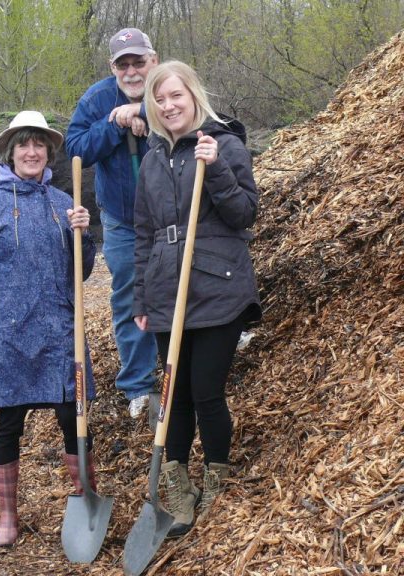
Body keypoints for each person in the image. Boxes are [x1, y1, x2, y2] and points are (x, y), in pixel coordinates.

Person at [132, 60, 262, 536]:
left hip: (217, 288)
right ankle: (177, 487)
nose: (168, 106)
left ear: (194, 96)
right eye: (159, 99)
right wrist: (142, 299)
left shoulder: (223, 144)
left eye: (176, 96)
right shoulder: (150, 160)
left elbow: (245, 213)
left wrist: (218, 167)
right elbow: (144, 234)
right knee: (175, 396)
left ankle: (216, 481)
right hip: (167, 290)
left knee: (206, 391)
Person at [0, 110, 99, 547]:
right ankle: (7, 516)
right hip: (10, 333)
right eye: (23, 144)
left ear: (48, 153)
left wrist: (85, 235)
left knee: (73, 418)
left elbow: (81, 272)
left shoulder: (65, 203)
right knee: (9, 425)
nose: (31, 151)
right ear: (10, 152)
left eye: (39, 144)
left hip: (60, 330)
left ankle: (86, 499)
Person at [66, 27, 160, 420]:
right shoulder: (99, 98)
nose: (132, 72)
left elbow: (204, 126)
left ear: (153, 60)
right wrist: (116, 123)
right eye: (124, 65)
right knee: (129, 294)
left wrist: (145, 113)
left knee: (190, 280)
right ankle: (138, 386)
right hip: (122, 219)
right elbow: (75, 149)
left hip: (173, 214)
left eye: (139, 62)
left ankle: (203, 353)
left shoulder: (171, 87)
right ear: (113, 68)